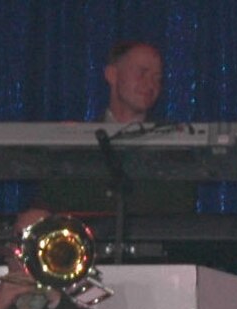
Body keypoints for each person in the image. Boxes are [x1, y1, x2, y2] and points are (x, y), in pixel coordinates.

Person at [50, 39, 198, 219]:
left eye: (157, 78)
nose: (150, 84)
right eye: (142, 73)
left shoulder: (174, 151)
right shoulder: (74, 146)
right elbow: (48, 204)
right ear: (112, 75)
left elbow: (179, 219)